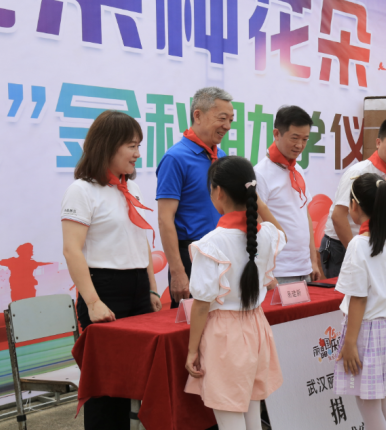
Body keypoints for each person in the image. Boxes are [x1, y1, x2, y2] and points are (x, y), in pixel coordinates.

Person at [61, 110, 162, 430]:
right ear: (108, 146)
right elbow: (72, 250)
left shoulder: (131, 189)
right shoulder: (82, 190)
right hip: (103, 289)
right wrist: (92, 302)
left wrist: (152, 287)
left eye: (138, 145)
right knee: (107, 389)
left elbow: (140, 241)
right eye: (131, 146)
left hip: (137, 288)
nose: (138, 153)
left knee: (140, 380)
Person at [184, 156, 287, 430]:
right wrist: (258, 202)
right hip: (256, 327)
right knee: (252, 413)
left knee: (230, 417)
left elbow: (202, 305)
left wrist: (192, 350)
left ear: (218, 192)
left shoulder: (211, 244)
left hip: (225, 336)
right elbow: (280, 232)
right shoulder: (266, 235)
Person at [333, 173, 386, 429]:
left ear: (354, 206)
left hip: (365, 331)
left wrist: (349, 344)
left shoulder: (359, 244)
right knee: (381, 403)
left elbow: (358, 298)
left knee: (369, 406)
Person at [157, 87, 231, 309]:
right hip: (192, 257)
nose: (227, 126)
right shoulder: (175, 158)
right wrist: (178, 271)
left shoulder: (222, 157)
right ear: (197, 115)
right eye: (222, 118)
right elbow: (165, 219)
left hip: (223, 254)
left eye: (230, 119)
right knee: (190, 333)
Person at [321, 117, 386, 278]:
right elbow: (338, 216)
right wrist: (355, 252)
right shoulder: (359, 172)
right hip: (343, 246)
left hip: (373, 248)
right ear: (378, 142)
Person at [254, 106, 321, 285]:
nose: (300, 145)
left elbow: (304, 214)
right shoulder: (260, 173)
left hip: (304, 267)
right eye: (295, 138)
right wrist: (266, 271)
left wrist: (313, 261)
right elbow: (257, 223)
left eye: (305, 139)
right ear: (277, 134)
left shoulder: (298, 169)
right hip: (279, 271)